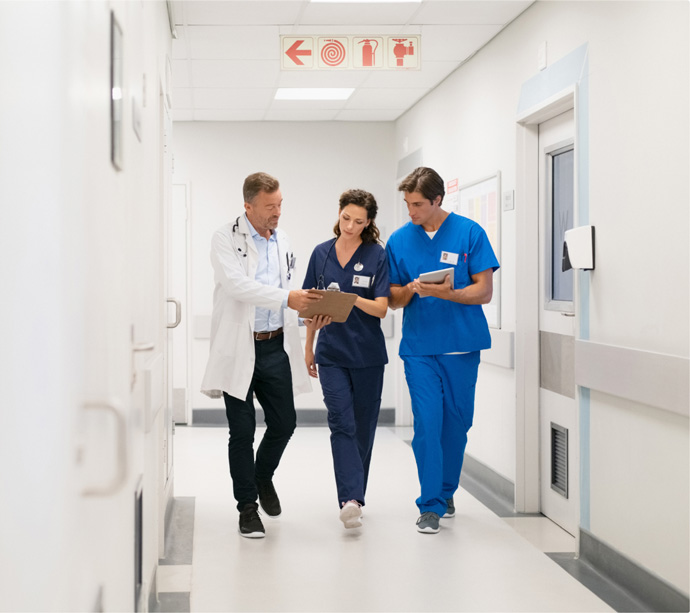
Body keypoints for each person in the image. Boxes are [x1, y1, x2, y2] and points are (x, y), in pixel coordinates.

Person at [200, 172, 323, 539]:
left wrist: (307, 309)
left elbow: (283, 287)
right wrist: (289, 299)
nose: (277, 212)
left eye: (280, 204)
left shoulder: (281, 239)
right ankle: (247, 508)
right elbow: (238, 286)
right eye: (270, 207)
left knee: (285, 423)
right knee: (242, 431)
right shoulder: (224, 238)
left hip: (274, 346)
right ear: (248, 206)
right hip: (240, 347)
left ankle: (261, 475)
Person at [385, 167, 499, 534]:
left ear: (437, 200)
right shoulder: (400, 241)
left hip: (461, 348)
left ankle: (447, 490)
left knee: (457, 425)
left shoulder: (470, 233)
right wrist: (413, 289)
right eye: (407, 204)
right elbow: (393, 297)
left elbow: (484, 291)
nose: (411, 211)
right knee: (427, 424)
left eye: (417, 204)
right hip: (419, 349)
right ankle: (430, 504)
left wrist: (447, 292)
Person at [302, 189, 390, 529]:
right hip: (332, 354)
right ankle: (350, 499)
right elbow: (310, 304)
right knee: (341, 421)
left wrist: (351, 300)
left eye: (358, 221)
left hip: (367, 355)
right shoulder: (321, 254)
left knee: (364, 428)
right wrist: (309, 345)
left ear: (368, 223)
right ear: (338, 213)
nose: (350, 226)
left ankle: (355, 494)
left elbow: (381, 307)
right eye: (345, 218)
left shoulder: (376, 255)